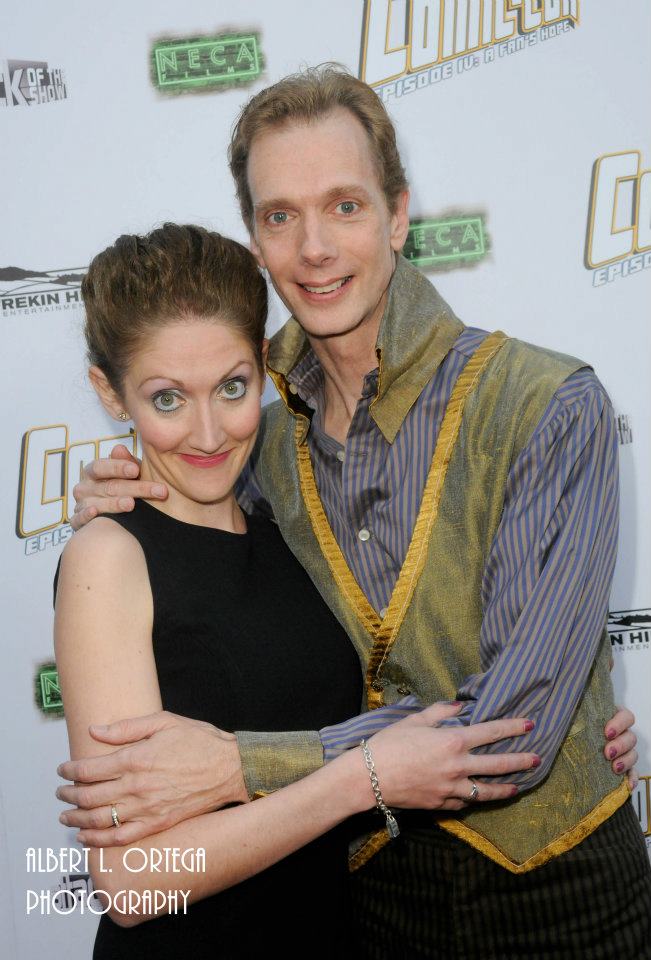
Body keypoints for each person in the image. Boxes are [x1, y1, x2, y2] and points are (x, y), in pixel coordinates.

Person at [62, 67, 650, 957]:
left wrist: (238, 765)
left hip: (562, 896)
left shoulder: (550, 404)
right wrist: (117, 498)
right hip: (364, 902)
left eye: (343, 205)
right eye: (280, 216)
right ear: (255, 241)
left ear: (399, 214)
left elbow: (515, 723)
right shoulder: (242, 447)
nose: (313, 249)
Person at [55, 223, 541, 958]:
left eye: (232, 386)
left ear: (263, 366)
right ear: (109, 391)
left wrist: (568, 725)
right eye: (166, 399)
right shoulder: (108, 557)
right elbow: (130, 882)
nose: (209, 432)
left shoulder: (289, 525)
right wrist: (358, 782)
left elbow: (415, 678)